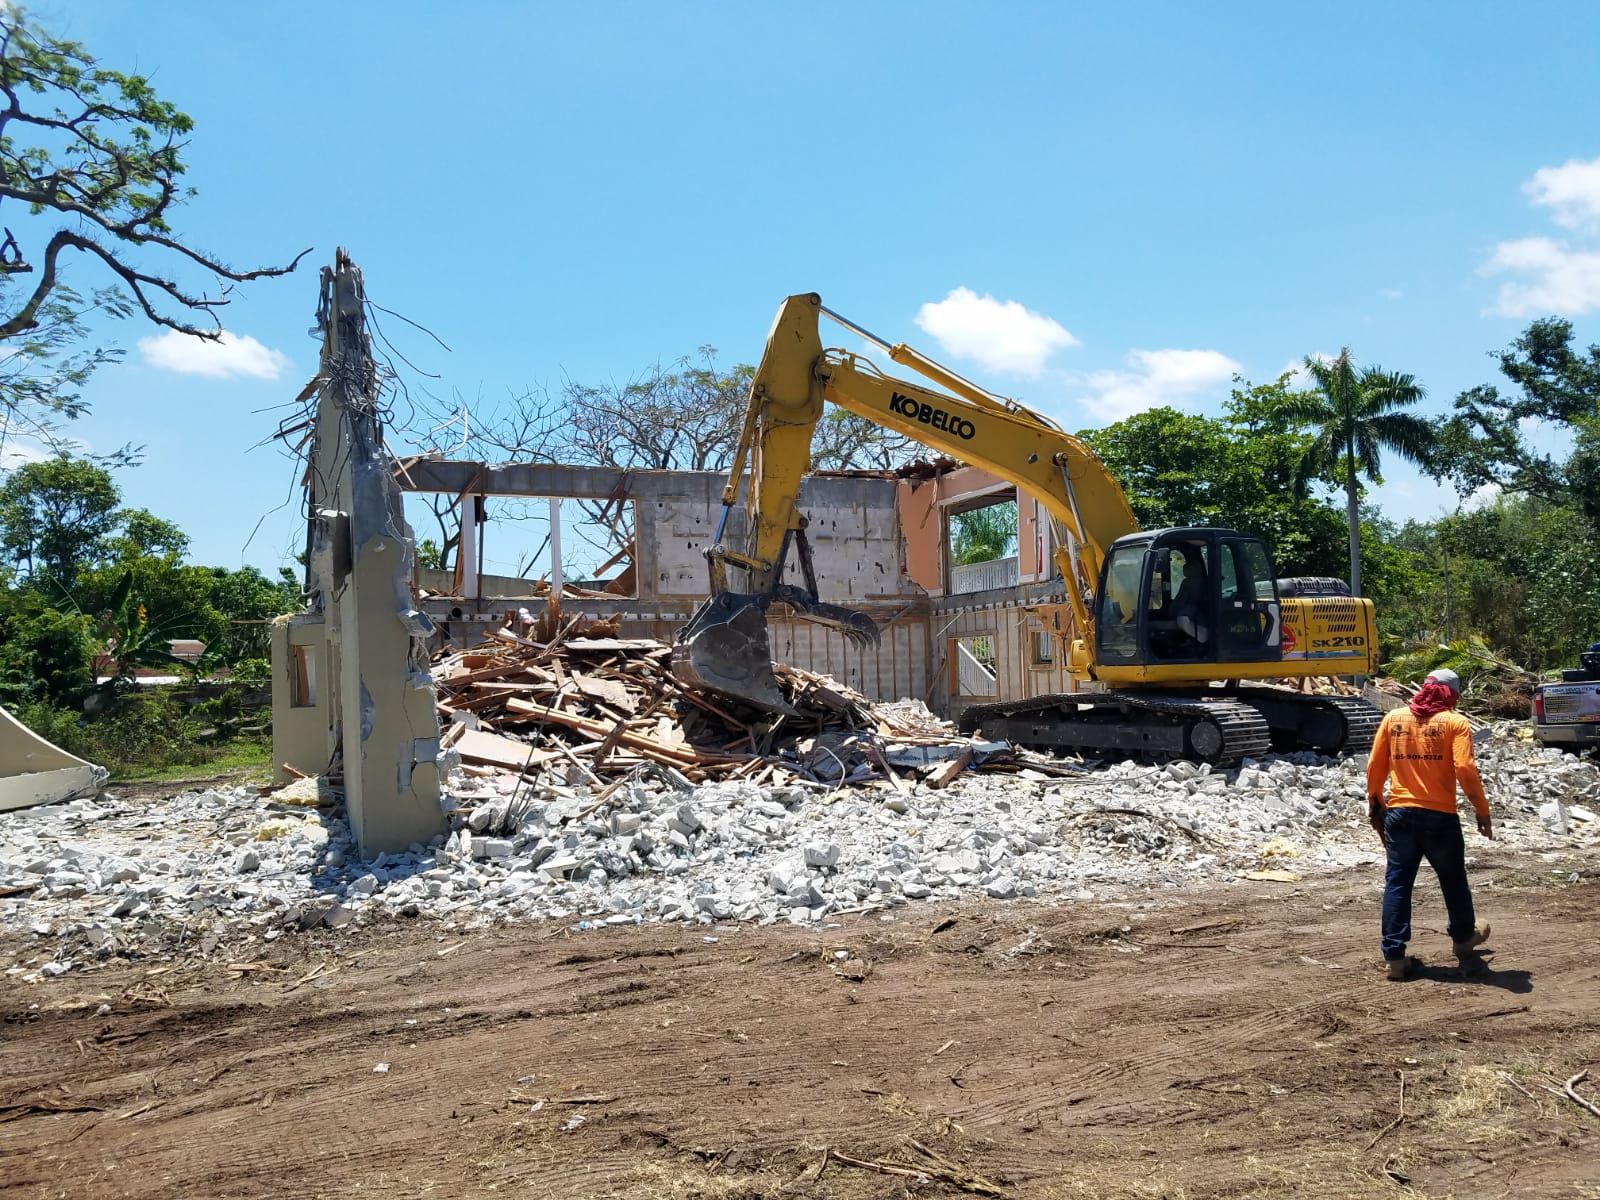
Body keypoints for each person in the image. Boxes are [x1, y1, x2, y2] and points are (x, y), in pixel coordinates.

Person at [1365, 667, 1493, 980]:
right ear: (1451, 695)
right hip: (1439, 818)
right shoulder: (1455, 722)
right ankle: (1464, 943)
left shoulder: (1394, 719)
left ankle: (1395, 959)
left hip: (1399, 815)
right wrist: (1482, 810)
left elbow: (1374, 766)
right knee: (1453, 880)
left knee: (1398, 882)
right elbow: (1464, 767)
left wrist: (1375, 806)